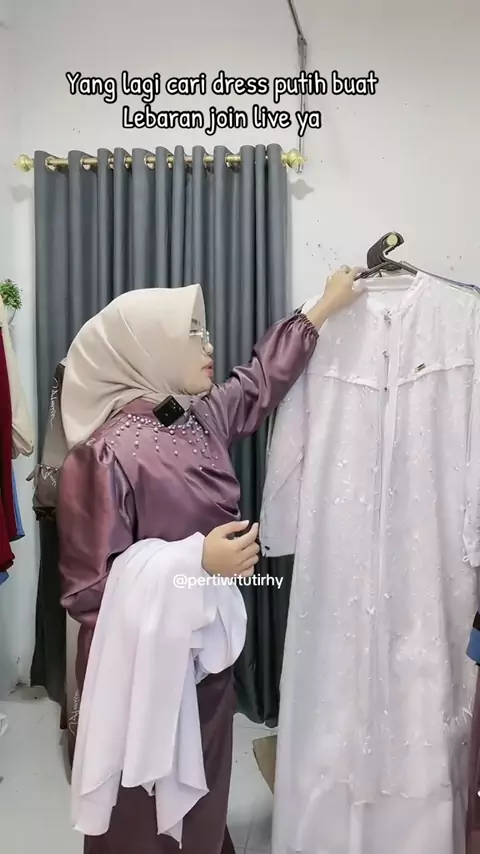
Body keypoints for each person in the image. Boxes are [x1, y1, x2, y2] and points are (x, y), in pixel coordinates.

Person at [57, 268, 363, 854]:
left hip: (206, 659)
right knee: (141, 810)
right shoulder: (102, 455)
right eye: (192, 333)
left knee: (203, 793)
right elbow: (90, 592)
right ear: (149, 345)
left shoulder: (197, 419)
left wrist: (322, 308)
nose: (208, 344)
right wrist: (196, 560)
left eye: (205, 331)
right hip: (140, 678)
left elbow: (259, 382)